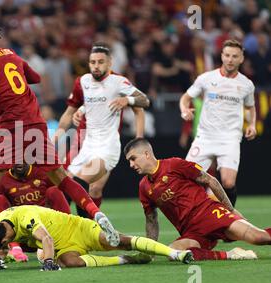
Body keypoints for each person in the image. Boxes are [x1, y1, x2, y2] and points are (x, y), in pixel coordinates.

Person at [0, 18, 117, 271]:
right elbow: (36, 77)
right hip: (36, 125)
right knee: (62, 179)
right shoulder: (10, 54)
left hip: (9, 130)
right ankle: (97, 214)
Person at [124, 138, 271, 261]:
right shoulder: (143, 187)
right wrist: (151, 250)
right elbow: (151, 220)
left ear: (146, 154)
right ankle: (231, 254)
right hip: (191, 231)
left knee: (259, 238)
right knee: (173, 252)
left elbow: (210, 180)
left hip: (210, 213)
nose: (131, 165)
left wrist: (230, 209)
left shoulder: (174, 164)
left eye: (133, 159)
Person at [55, 44, 148, 218]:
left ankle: (84, 226)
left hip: (106, 143)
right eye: (92, 62)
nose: (96, 66)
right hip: (82, 141)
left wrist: (138, 139)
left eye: (100, 62)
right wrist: (60, 132)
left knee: (84, 185)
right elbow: (71, 111)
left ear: (110, 63)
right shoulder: (82, 82)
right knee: (76, 186)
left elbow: (141, 106)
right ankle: (84, 226)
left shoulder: (118, 82)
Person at [0, 205, 194, 270]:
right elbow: (2, 245)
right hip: (65, 247)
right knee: (71, 263)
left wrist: (49, 263)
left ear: (4, 240)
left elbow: (47, 240)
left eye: (1, 247)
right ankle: (130, 259)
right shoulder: (1, 221)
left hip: (79, 228)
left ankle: (175, 253)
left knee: (121, 241)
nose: (3, 248)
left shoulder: (26, 219)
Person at [179, 39, 257, 207]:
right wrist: (184, 110)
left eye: (235, 56)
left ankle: (228, 219)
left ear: (241, 59)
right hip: (205, 137)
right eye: (227, 55)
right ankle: (194, 216)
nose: (230, 59)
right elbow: (186, 97)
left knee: (228, 183)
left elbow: (250, 108)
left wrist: (251, 125)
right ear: (222, 56)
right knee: (186, 177)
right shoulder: (206, 78)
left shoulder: (246, 85)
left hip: (230, 138)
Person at [0, 163, 71, 262]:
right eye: (15, 159)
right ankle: (14, 248)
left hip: (47, 230)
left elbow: (63, 190)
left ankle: (67, 237)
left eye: (22, 158)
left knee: (54, 190)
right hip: (23, 237)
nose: (19, 162)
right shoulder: (2, 180)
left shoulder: (43, 172)